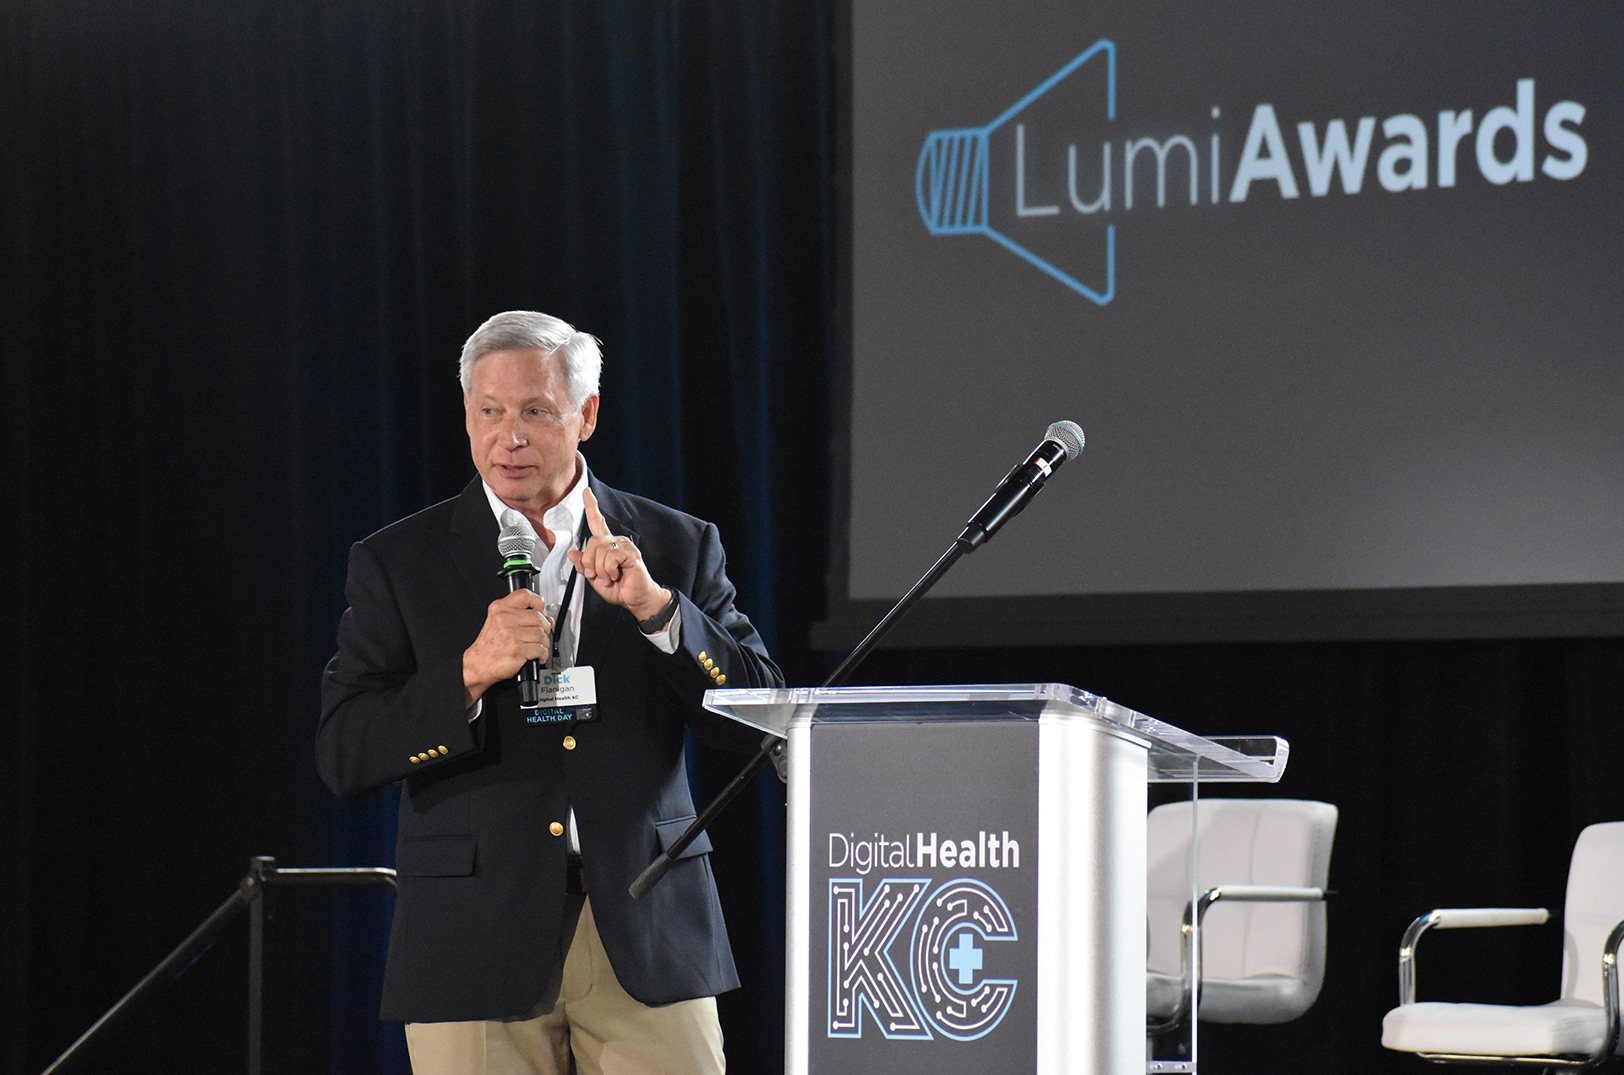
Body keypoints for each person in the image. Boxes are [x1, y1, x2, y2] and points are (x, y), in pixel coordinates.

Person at [317, 310, 782, 1075]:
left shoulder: (674, 545)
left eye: (535, 410)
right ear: (467, 416)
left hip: (645, 923)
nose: (511, 436)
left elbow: (760, 715)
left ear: (586, 415)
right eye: (489, 412)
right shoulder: (399, 561)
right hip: (472, 937)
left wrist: (658, 612)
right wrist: (467, 672)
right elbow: (343, 751)